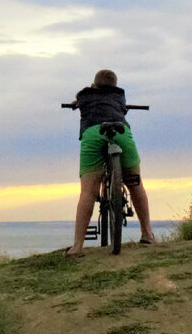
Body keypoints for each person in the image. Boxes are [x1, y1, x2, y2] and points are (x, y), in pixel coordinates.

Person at [66, 69, 155, 256]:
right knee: (135, 183)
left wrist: (79, 101)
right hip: (121, 132)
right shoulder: (119, 95)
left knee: (88, 192)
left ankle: (77, 247)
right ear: (114, 85)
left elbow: (80, 97)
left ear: (95, 84)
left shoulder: (85, 94)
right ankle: (147, 234)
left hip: (93, 134)